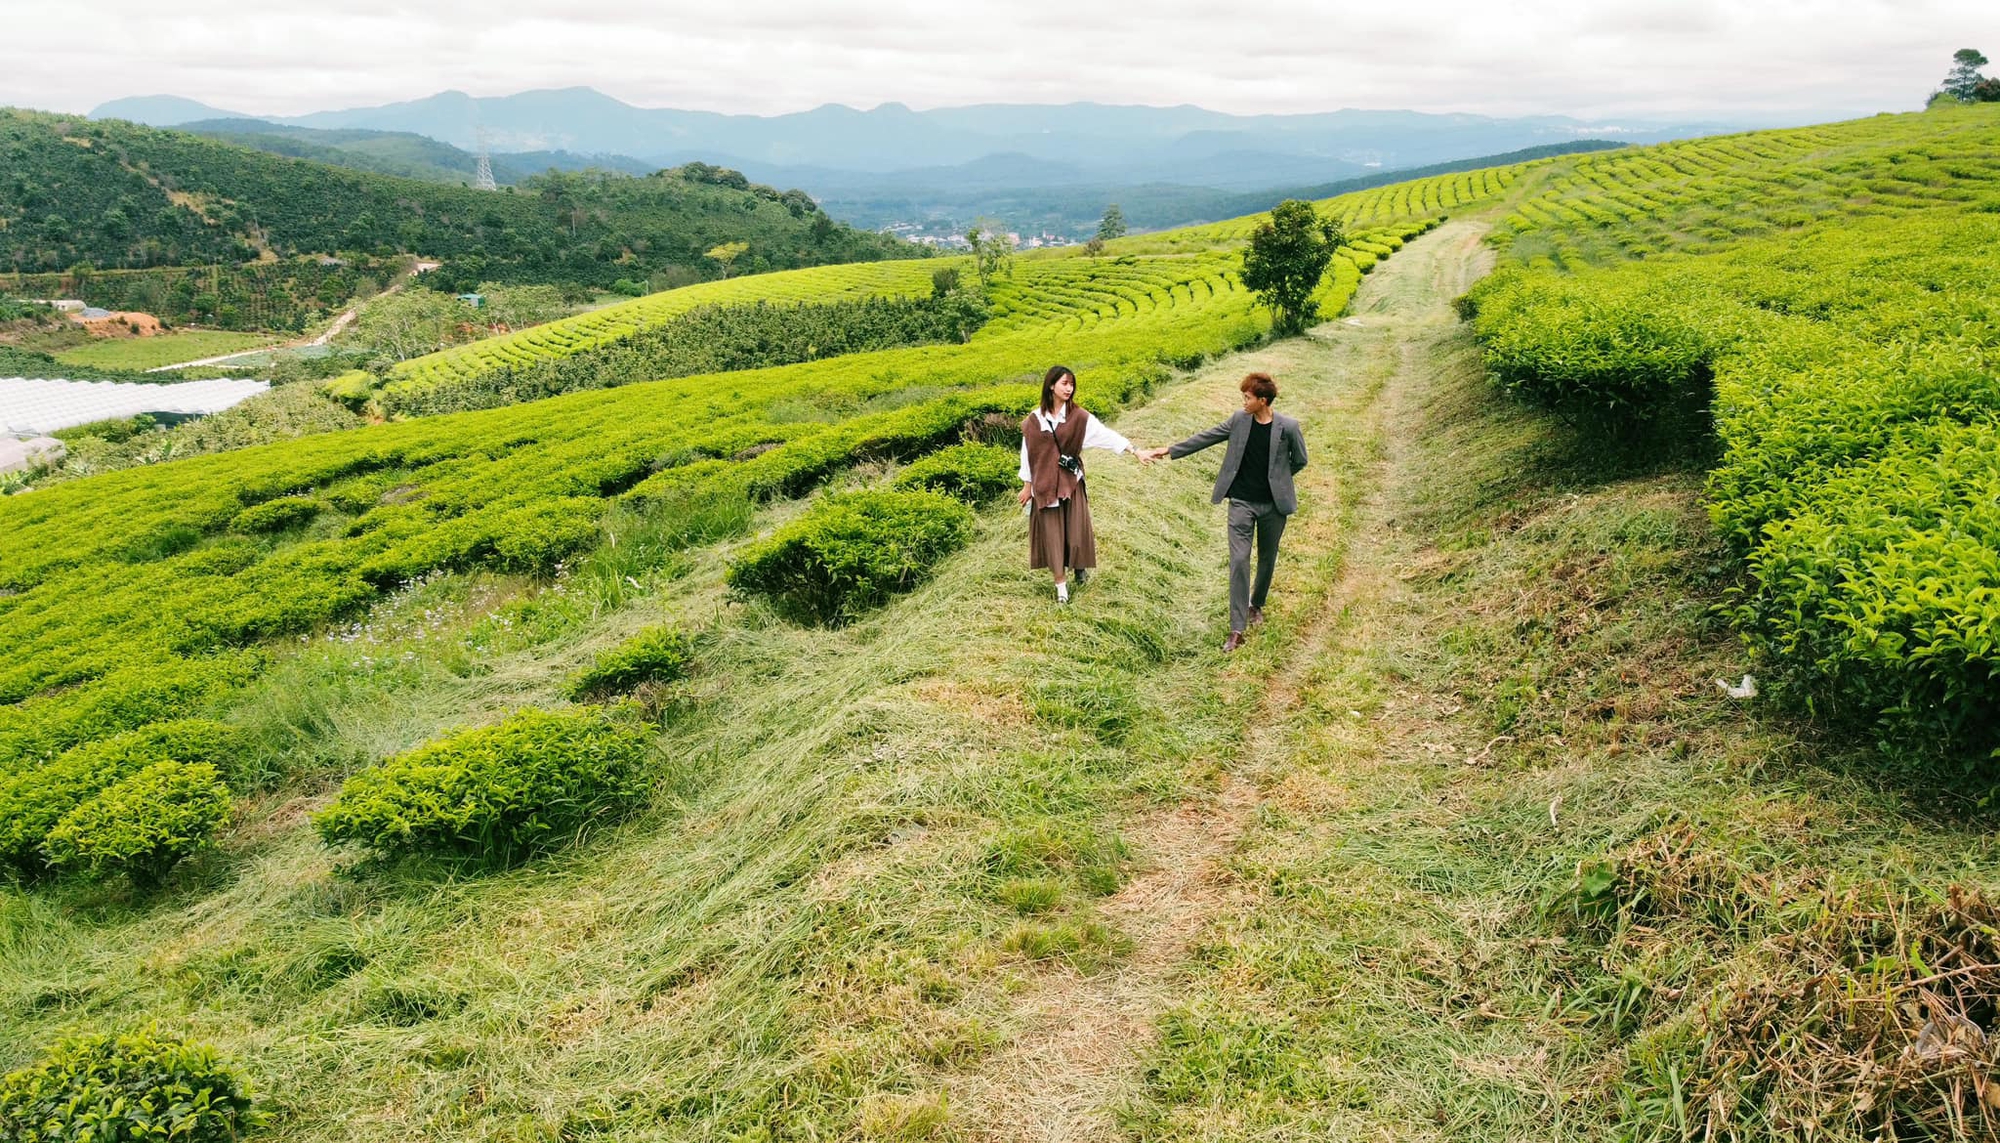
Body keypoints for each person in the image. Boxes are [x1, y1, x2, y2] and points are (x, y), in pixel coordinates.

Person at [1139, 372, 1307, 651]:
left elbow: (1300, 460)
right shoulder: (1238, 421)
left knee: (1267, 557)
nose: (1243, 401)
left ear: (1262, 401)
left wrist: (1279, 479)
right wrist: (1168, 449)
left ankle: (1257, 605)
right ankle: (1237, 629)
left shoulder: (1288, 427)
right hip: (1241, 502)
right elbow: (1206, 437)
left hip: (1273, 506)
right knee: (1239, 560)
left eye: (1248, 397)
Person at [1018, 365, 1148, 603]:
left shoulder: (1079, 417)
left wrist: (1135, 450)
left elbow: (1106, 436)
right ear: (1051, 385)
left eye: (1072, 384)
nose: (1069, 388)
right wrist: (1027, 485)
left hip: (1070, 483)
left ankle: (1079, 567)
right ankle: (1061, 589)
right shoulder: (1034, 421)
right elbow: (1028, 454)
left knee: (1076, 533)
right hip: (1045, 487)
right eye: (1064, 383)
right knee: (1053, 537)